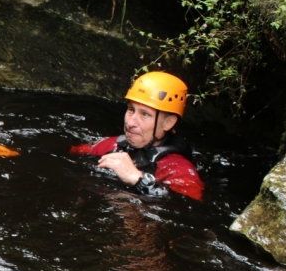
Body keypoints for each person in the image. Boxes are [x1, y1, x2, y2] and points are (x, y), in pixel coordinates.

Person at [71, 72, 204, 201]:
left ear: (168, 123)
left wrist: (139, 180)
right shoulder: (111, 145)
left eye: (145, 114)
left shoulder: (178, 169)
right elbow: (73, 151)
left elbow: (189, 204)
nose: (130, 123)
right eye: (131, 110)